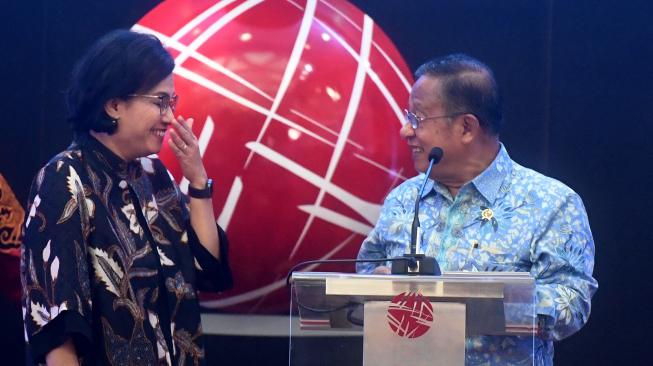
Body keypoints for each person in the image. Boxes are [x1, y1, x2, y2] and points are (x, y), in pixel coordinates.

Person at [356, 54, 597, 365]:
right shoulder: (404, 199)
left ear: (466, 127)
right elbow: (364, 273)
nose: (406, 131)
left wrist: (478, 300)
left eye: (418, 118)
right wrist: (375, 286)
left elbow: (572, 304)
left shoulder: (551, 203)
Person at [20, 30, 232, 365]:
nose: (170, 117)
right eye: (160, 102)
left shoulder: (153, 175)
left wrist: (198, 180)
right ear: (114, 104)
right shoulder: (64, 178)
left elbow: (206, 269)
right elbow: (57, 323)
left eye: (171, 103)